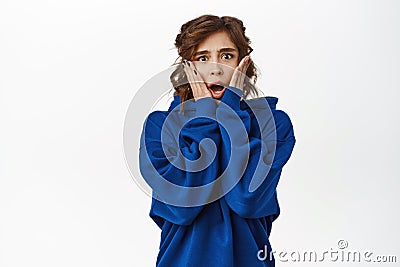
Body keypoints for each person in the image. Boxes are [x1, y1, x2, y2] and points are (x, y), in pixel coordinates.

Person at [139, 14, 296, 267]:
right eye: (203, 58)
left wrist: (228, 111)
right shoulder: (160, 127)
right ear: (187, 68)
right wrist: (205, 117)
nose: (216, 68)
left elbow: (246, 199)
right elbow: (184, 206)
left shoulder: (272, 125)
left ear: (243, 63)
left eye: (226, 56)